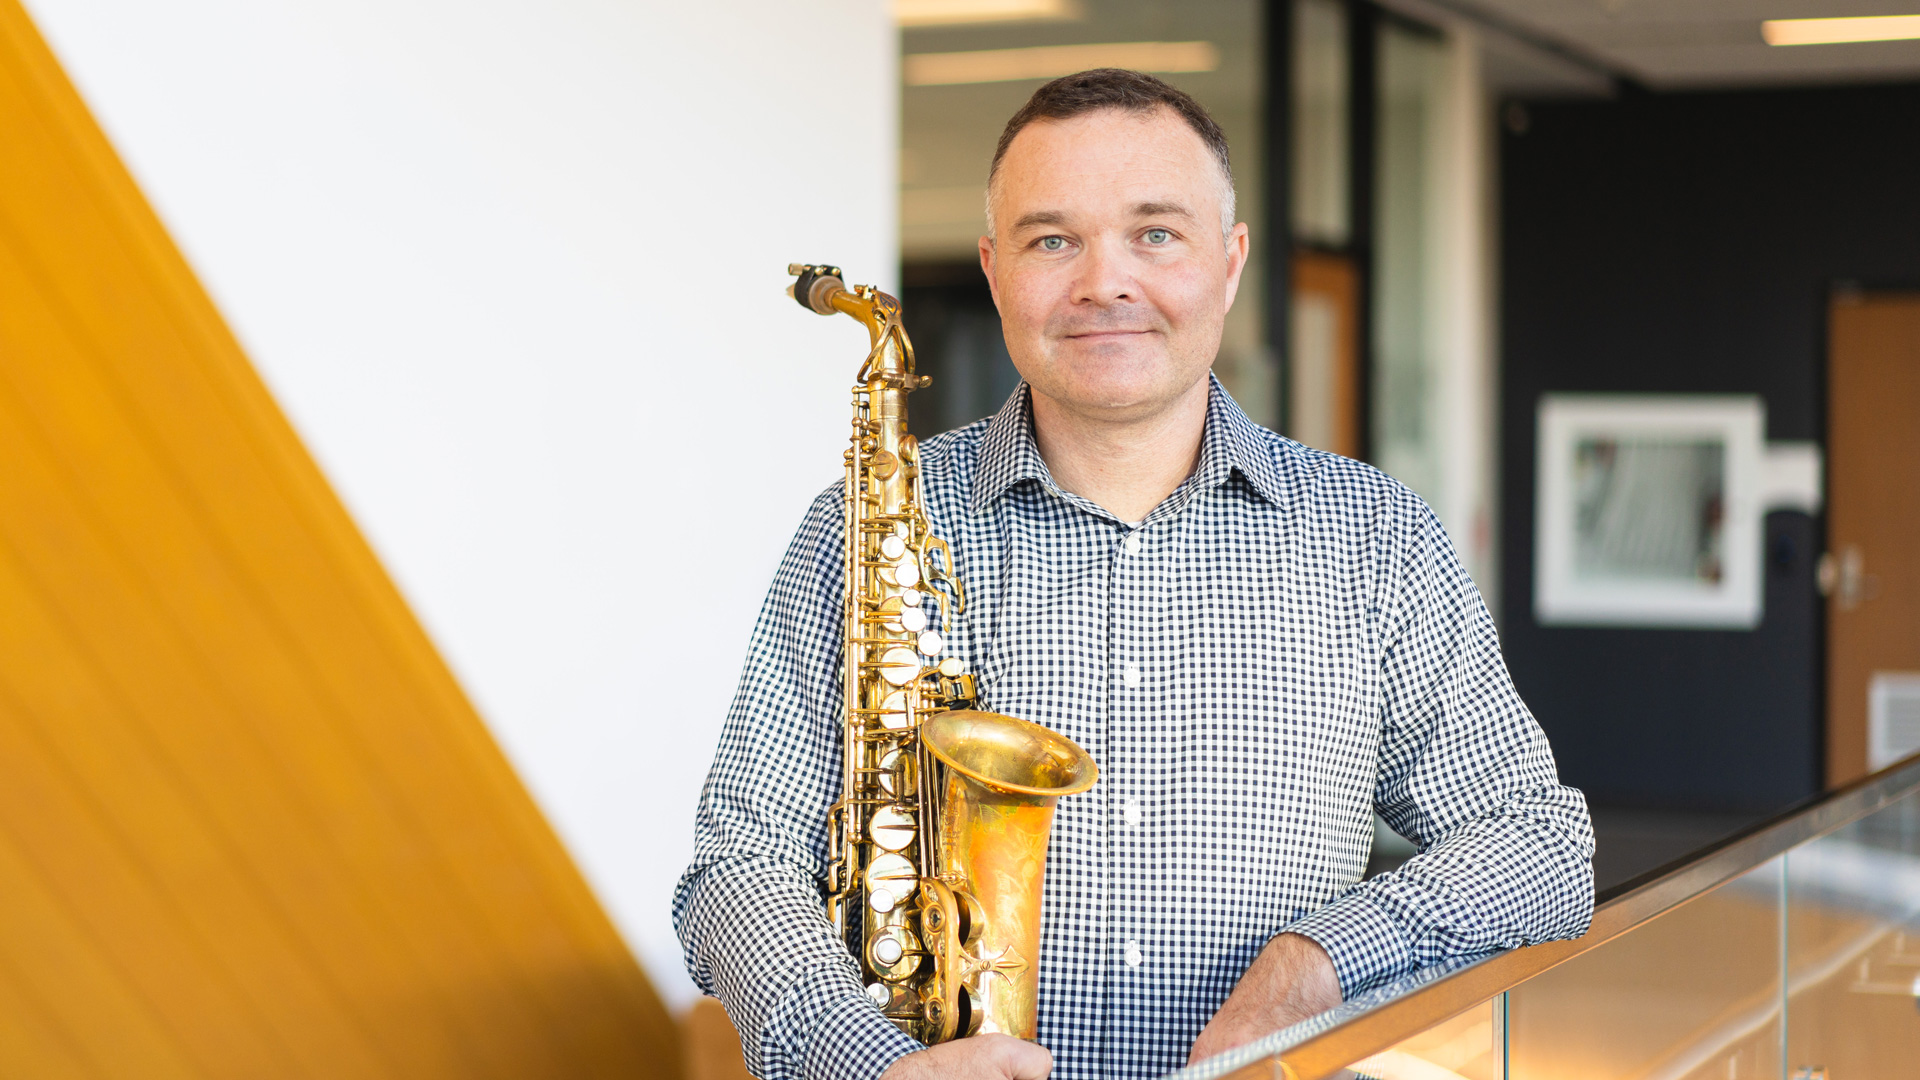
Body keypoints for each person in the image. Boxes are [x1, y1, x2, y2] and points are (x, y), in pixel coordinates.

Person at [674, 69, 1594, 1080]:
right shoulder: (856, 527)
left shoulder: (1372, 535)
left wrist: (1315, 963)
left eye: (1156, 233)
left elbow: (1536, 843)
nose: (1104, 281)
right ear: (993, 268)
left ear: (1230, 261)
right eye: (1051, 239)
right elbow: (738, 867)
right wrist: (870, 1062)